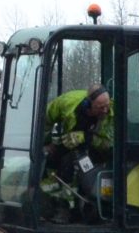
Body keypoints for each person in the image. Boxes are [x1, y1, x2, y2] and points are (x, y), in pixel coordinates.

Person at [43, 87, 115, 217]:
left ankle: (77, 208)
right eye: (100, 107)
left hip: (99, 153)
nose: (105, 110)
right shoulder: (67, 103)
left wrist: (86, 137)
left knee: (73, 166)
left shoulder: (113, 115)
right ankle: (61, 205)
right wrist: (46, 143)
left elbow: (110, 145)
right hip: (72, 148)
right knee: (55, 161)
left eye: (107, 105)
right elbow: (44, 119)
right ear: (88, 104)